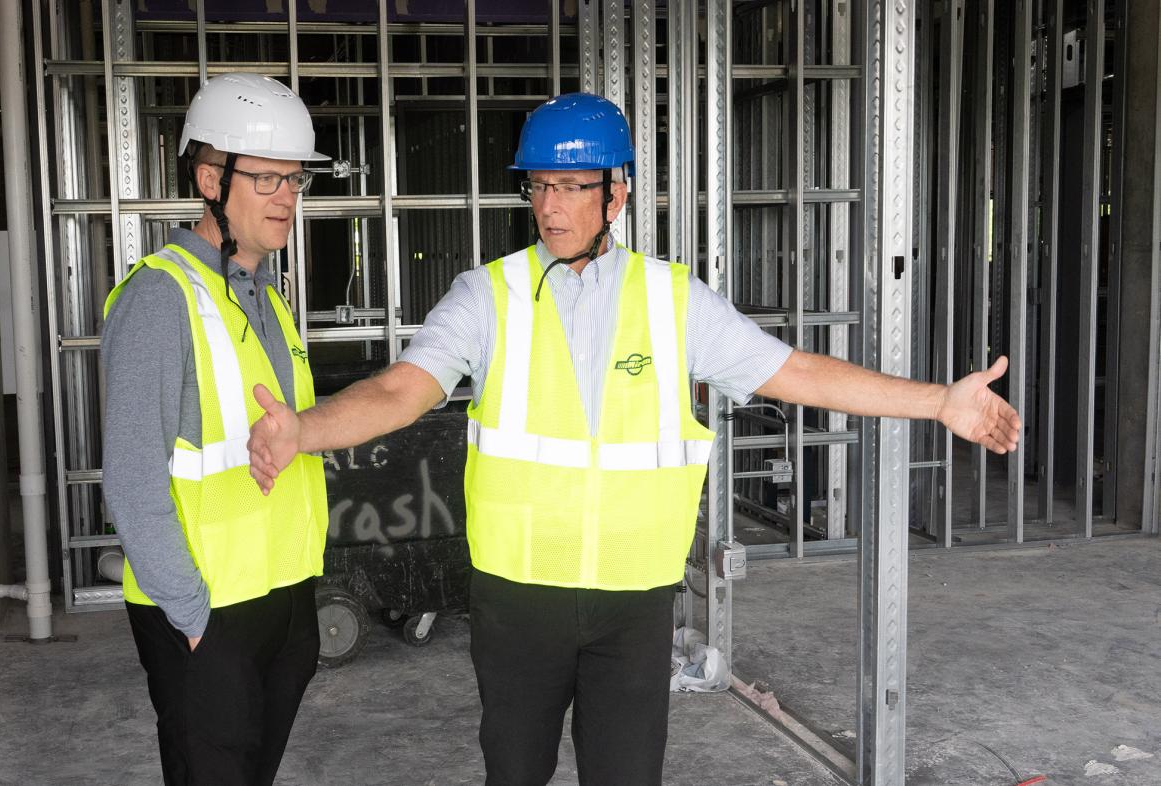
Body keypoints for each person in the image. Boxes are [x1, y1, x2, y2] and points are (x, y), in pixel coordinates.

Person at [246, 92, 1021, 785]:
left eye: (573, 187)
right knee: (513, 774)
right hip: (519, 602)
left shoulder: (672, 301)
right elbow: (399, 391)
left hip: (633, 607)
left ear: (617, 193)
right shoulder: (489, 296)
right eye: (539, 185)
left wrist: (937, 402)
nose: (551, 206)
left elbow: (799, 373)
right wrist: (303, 430)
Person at [101, 72, 330, 785]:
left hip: (282, 601)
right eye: (266, 179)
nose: (286, 197)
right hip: (205, 612)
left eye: (295, 181)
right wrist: (194, 618)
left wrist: (298, 618)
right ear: (209, 178)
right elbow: (134, 477)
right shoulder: (160, 298)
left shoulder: (267, 296)